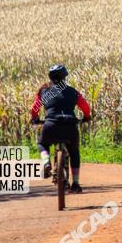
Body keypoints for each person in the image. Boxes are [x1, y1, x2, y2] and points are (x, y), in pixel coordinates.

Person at [30, 64, 91, 193]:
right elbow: (85, 107)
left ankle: (46, 162)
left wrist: (35, 119)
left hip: (51, 125)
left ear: (50, 77)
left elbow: (34, 109)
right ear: (65, 77)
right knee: (74, 152)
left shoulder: (44, 92)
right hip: (70, 126)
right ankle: (75, 183)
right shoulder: (73, 92)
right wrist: (86, 117)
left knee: (42, 143)